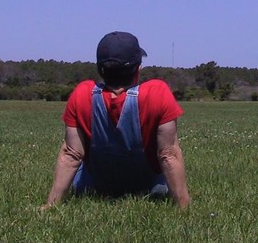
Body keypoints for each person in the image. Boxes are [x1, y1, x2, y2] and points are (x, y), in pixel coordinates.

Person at [42, 31, 190, 210]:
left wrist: (50, 205)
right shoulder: (158, 94)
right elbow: (168, 154)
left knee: (80, 175)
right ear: (138, 68)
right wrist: (184, 208)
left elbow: (71, 154)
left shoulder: (81, 94)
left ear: (100, 69)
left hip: (96, 187)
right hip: (149, 188)